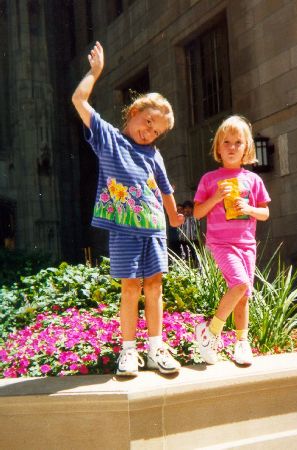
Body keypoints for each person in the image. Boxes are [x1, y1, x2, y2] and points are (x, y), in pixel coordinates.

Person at [72, 41, 184, 377]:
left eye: (157, 131)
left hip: (154, 232)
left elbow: (164, 190)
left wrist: (175, 215)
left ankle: (155, 347)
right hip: (124, 232)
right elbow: (79, 100)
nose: (149, 131)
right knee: (130, 287)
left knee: (155, 287)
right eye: (148, 121)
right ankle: (129, 351)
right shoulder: (109, 139)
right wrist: (94, 73)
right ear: (134, 111)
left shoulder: (155, 155)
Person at [193, 115, 271, 366]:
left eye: (238, 142)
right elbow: (197, 213)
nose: (232, 147)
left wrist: (248, 208)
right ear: (218, 147)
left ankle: (241, 343)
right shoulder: (209, 179)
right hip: (221, 243)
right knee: (239, 284)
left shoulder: (253, 180)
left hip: (246, 243)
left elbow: (265, 213)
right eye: (226, 142)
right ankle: (211, 332)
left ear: (246, 148)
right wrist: (215, 198)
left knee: (244, 294)